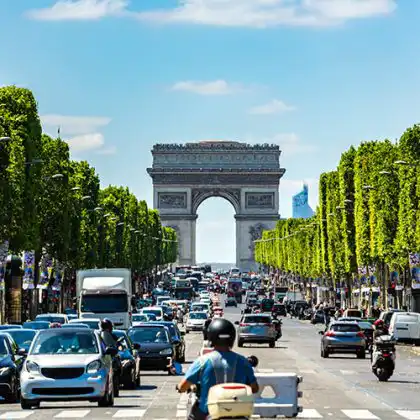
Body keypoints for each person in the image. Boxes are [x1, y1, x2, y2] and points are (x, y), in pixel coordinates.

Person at [177, 318, 259, 420]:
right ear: (232, 338)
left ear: (211, 337)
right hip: (238, 412)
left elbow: (183, 387)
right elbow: (255, 388)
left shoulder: (203, 361)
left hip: (207, 411)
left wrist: (181, 387)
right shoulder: (244, 362)